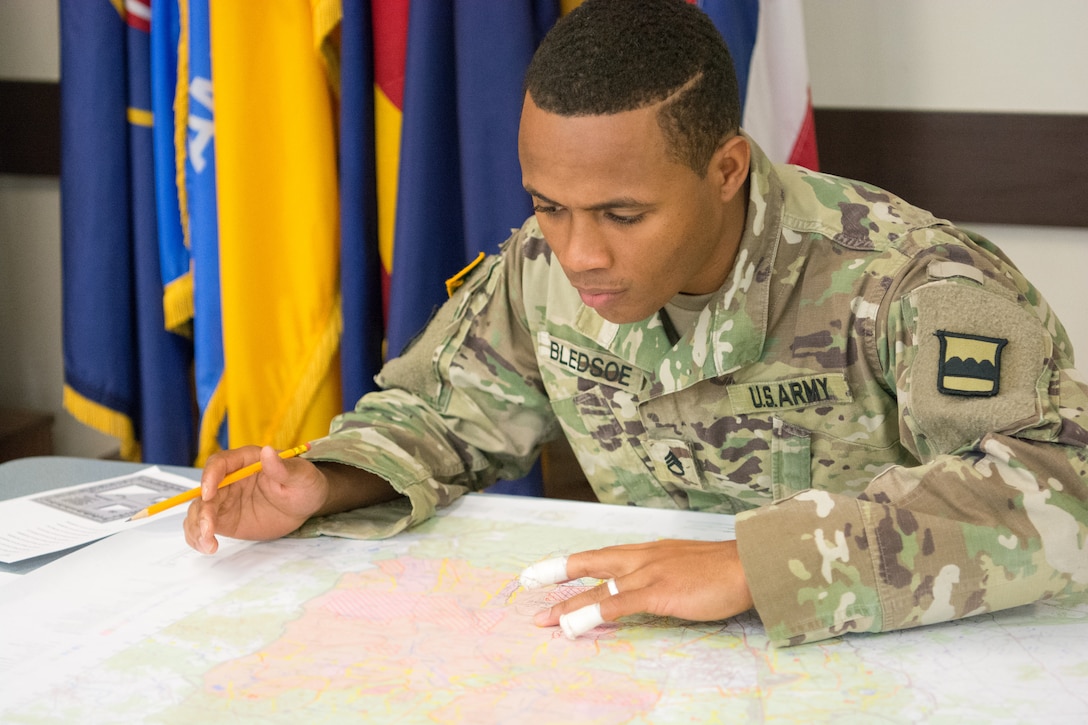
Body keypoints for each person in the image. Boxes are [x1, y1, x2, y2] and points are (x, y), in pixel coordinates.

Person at [184, 0, 1088, 646]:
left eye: (622, 214)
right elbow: (436, 419)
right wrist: (326, 479)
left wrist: (757, 566)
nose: (578, 254)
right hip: (661, 663)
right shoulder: (538, 269)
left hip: (900, 658)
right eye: (549, 205)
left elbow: (1062, 484)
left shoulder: (907, 281)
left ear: (728, 168)